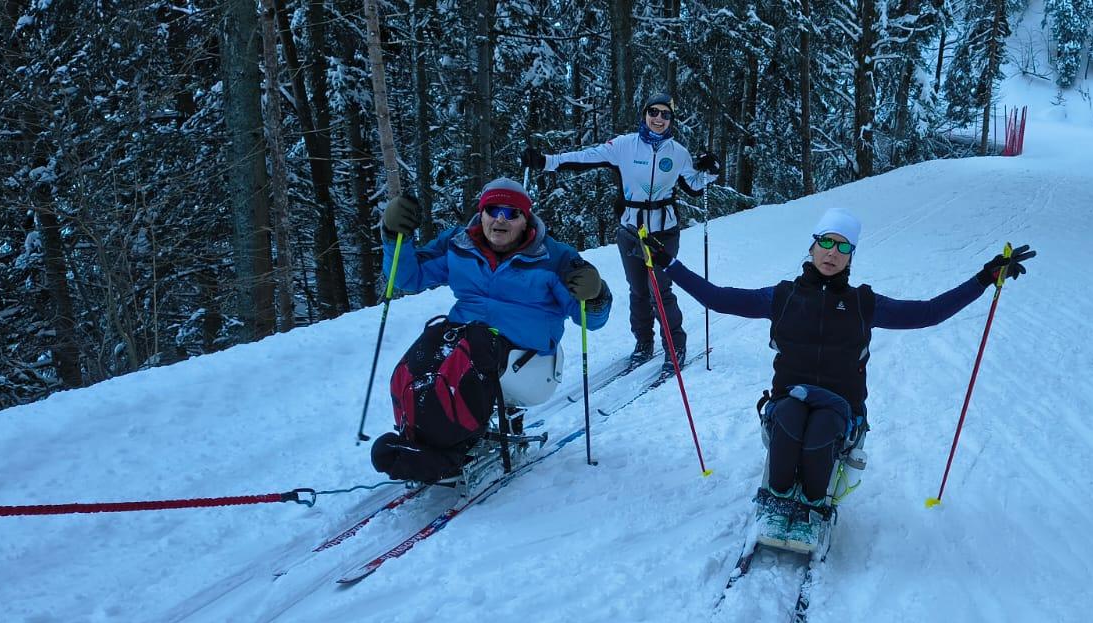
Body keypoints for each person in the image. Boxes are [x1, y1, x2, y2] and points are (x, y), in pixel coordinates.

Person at [639, 207, 1035, 550]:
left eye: (843, 247)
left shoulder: (864, 303)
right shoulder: (782, 296)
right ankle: (777, 500)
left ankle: (814, 507)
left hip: (841, 407)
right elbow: (718, 298)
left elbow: (928, 313)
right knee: (790, 418)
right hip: (789, 397)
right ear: (812, 247)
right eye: (826, 243)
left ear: (851, 257)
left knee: (822, 427)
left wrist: (984, 279)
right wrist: (668, 265)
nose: (832, 252)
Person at [370, 178, 613, 484]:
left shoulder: (555, 259)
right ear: (481, 213)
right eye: (492, 210)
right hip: (467, 335)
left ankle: (451, 449)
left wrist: (596, 295)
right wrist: (395, 237)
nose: (500, 219)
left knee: (473, 352)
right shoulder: (458, 244)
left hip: (528, 356)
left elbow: (592, 321)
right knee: (425, 349)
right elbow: (408, 277)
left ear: (525, 220)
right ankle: (414, 437)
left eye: (511, 213)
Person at [522, 92, 719, 375]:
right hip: (630, 231)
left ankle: (675, 347)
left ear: (671, 119)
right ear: (645, 114)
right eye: (653, 112)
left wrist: (711, 171)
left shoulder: (678, 153)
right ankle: (644, 343)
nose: (659, 119)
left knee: (660, 291)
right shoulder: (624, 146)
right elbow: (586, 158)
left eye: (665, 114)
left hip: (663, 233)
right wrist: (545, 161)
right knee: (638, 291)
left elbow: (695, 186)